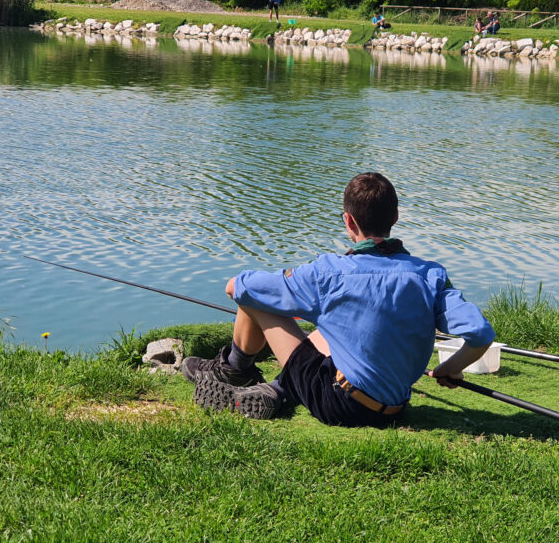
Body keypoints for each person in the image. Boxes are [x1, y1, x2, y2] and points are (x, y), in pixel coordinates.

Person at [182, 172, 496, 427]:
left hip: (340, 406)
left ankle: (235, 369)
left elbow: (235, 287)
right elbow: (480, 334)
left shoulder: (329, 273)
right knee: (334, 328)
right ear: (396, 217)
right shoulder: (431, 275)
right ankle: (278, 388)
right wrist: (449, 368)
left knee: (254, 296)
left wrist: (266, 288)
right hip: (396, 409)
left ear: (348, 221)